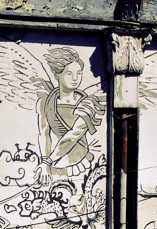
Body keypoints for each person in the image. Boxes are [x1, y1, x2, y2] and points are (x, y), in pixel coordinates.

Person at [34, 47, 105, 186]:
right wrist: (44, 161)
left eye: (79, 73)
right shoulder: (46, 101)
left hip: (78, 163)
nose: (75, 78)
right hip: (55, 161)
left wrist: (48, 161)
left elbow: (72, 136)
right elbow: (44, 133)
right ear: (57, 76)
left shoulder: (87, 103)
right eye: (69, 73)